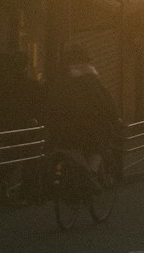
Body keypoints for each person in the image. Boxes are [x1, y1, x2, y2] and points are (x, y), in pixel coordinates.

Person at [46, 41, 121, 170]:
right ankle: (91, 178)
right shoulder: (92, 81)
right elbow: (108, 104)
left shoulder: (58, 81)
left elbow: (50, 104)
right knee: (93, 160)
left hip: (64, 134)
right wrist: (115, 121)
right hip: (92, 134)